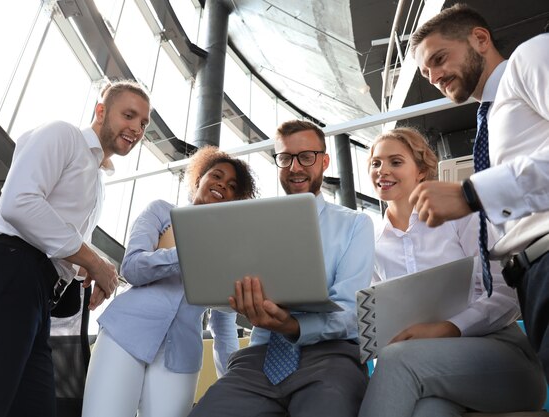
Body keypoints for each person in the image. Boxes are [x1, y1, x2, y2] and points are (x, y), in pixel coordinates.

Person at [0, 80, 151, 417]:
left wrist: (83, 268)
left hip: (33, 297)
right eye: (129, 115)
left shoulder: (97, 181)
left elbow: (52, 238)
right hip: (2, 276)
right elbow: (18, 203)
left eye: (144, 123)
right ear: (101, 111)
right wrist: (95, 261)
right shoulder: (65, 137)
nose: (136, 128)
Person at [188, 120, 374, 417]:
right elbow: (223, 298)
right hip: (259, 359)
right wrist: (238, 299)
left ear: (324, 161)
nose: (295, 167)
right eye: (285, 158)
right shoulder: (250, 223)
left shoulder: (355, 225)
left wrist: (293, 326)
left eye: (306, 157)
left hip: (329, 358)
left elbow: (350, 311)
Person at [358, 127, 546, 417]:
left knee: (397, 359)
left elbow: (507, 296)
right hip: (427, 373)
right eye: (376, 163)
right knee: (428, 412)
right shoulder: (372, 246)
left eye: (395, 162)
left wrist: (449, 328)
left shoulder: (460, 218)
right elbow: (379, 325)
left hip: (502, 360)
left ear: (421, 171)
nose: (383, 170)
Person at [408, 3, 549, 378]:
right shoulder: (491, 117)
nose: (435, 75)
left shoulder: (532, 55)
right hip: (532, 280)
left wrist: (472, 195)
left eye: (440, 58)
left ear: (480, 38)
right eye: (426, 71)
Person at [81, 146, 258, 417]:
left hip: (180, 358)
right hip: (125, 334)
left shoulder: (229, 249)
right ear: (199, 180)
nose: (223, 185)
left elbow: (223, 324)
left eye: (232, 186)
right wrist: (187, 252)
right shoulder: (162, 212)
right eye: (217, 176)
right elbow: (132, 267)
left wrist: (231, 382)